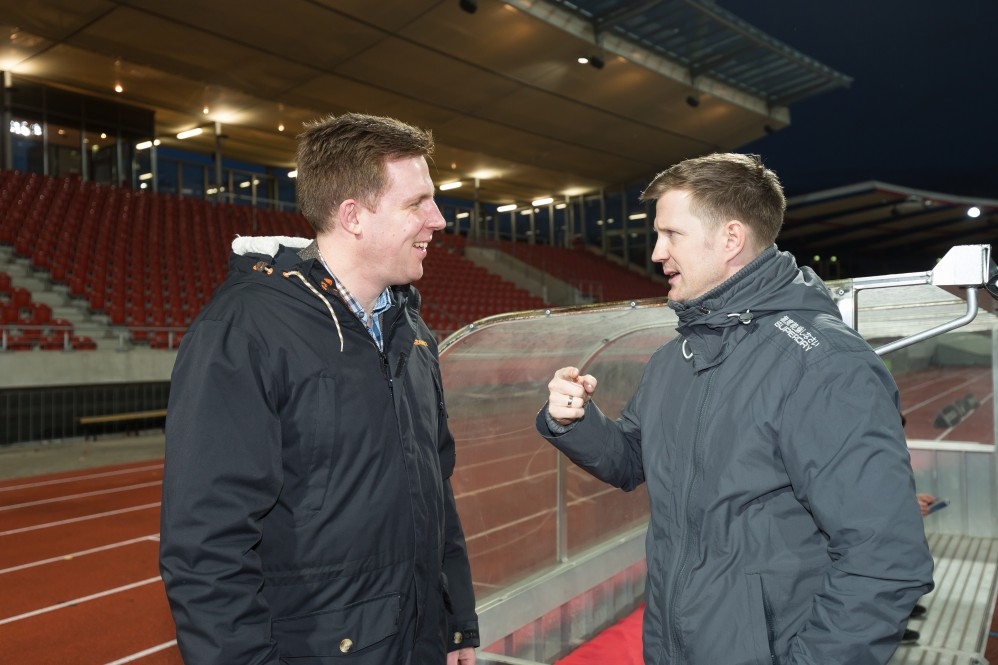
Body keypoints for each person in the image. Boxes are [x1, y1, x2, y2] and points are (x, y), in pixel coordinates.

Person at [536, 153, 934, 664]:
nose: (656, 253)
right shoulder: (675, 357)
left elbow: (885, 558)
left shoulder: (824, 363)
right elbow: (631, 460)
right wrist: (574, 421)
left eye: (671, 234)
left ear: (730, 239)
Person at [160, 113, 479, 665]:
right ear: (353, 216)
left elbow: (435, 489)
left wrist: (455, 623)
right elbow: (207, 548)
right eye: (417, 203)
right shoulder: (244, 331)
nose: (439, 219)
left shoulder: (410, 331)